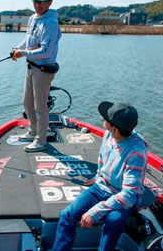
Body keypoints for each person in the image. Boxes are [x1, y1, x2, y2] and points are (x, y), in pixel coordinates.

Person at [52, 102, 148, 251]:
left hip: (120, 196)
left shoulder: (136, 152)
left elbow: (129, 196)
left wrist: (96, 211)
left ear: (115, 129)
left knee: (114, 222)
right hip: (101, 187)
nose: (103, 120)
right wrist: (98, 176)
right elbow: (103, 159)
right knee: (67, 215)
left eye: (106, 119)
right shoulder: (108, 135)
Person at [11, 0, 62, 152]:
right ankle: (32, 132)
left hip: (43, 68)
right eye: (35, 1)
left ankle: (41, 141)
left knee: (40, 106)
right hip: (31, 66)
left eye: (42, 2)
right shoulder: (33, 18)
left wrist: (22, 53)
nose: (38, 5)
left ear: (49, 2)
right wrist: (16, 49)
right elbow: (28, 41)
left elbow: (46, 51)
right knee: (27, 102)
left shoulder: (51, 23)